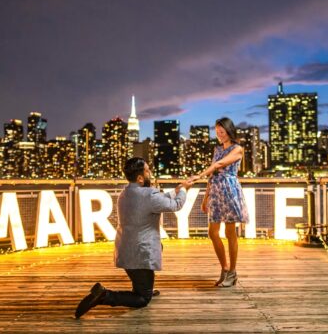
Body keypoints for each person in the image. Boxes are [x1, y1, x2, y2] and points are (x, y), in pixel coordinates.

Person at [75, 157, 193, 318]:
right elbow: (175, 206)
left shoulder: (126, 192)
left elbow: (156, 200)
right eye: (147, 170)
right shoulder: (149, 195)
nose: (150, 172)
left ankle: (144, 287)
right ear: (140, 178)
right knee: (143, 299)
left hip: (125, 249)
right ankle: (104, 295)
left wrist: (176, 191)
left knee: (146, 275)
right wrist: (185, 190)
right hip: (141, 252)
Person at [191, 117, 249, 287]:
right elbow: (213, 174)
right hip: (216, 190)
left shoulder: (237, 149)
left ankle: (233, 272)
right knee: (212, 232)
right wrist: (205, 197)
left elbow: (220, 164)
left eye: (222, 132)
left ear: (229, 131)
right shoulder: (217, 149)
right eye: (217, 132)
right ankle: (224, 267)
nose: (219, 135)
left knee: (230, 233)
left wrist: (199, 175)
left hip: (229, 190)